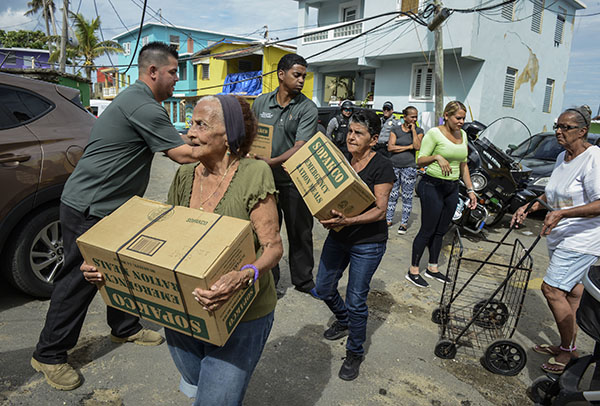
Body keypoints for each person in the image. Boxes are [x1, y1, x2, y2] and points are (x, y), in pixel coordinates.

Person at [84, 95, 282, 405]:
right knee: (197, 384)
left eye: (201, 125)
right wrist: (109, 266)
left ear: (229, 134)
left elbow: (272, 248)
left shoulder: (255, 175)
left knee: (214, 400)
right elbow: (165, 240)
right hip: (185, 310)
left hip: (243, 315)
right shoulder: (186, 175)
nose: (190, 133)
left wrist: (244, 275)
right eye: (191, 123)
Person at [30, 42, 202, 391]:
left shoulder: (138, 101)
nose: (175, 80)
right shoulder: (143, 105)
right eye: (172, 73)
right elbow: (182, 155)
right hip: (90, 206)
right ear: (153, 72)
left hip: (113, 207)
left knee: (120, 268)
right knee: (79, 281)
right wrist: (229, 145)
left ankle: (124, 328)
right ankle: (48, 354)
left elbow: (177, 139)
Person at [512, 105, 600, 374]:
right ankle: (567, 347)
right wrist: (530, 207)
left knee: (551, 289)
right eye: (557, 127)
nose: (559, 132)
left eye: (565, 127)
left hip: (582, 239)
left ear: (583, 131)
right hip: (561, 237)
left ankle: (568, 353)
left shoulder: (593, 159)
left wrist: (562, 214)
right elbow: (554, 195)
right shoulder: (563, 156)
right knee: (572, 294)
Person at [315, 109, 395, 381]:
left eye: (358, 133)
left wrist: (349, 221)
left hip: (368, 242)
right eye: (350, 131)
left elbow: (380, 211)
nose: (351, 136)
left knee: (357, 298)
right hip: (339, 235)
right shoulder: (343, 159)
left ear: (373, 139)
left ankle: (354, 352)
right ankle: (344, 319)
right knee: (324, 287)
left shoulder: (382, 166)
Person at [251, 54, 319, 297]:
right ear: (281, 74)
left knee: (300, 231)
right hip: (264, 181)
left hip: (294, 181)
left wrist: (271, 161)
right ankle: (271, 280)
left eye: (304, 76)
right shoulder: (261, 103)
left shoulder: (306, 108)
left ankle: (303, 280)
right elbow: (252, 135)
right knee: (267, 232)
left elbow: (300, 146)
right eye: (297, 75)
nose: (301, 80)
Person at [407, 101, 477, 288]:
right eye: (458, 118)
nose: (461, 122)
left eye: (463, 118)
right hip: (432, 186)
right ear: (446, 115)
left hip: (452, 187)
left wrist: (470, 190)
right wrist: (437, 157)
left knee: (441, 230)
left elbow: (463, 164)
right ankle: (413, 270)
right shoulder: (434, 134)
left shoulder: (462, 135)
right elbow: (420, 160)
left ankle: (433, 268)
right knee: (427, 229)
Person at [386, 106, 424, 233]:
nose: (414, 119)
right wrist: (408, 147)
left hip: (409, 168)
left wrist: (413, 131)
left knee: (407, 196)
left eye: (416, 116)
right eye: (412, 116)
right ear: (405, 116)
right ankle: (388, 219)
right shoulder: (395, 129)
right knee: (392, 195)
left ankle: (403, 223)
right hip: (394, 166)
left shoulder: (419, 130)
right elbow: (390, 148)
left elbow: (417, 146)